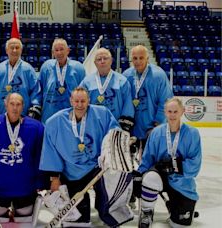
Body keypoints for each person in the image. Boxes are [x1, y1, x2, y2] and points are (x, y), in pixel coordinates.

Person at [39, 87, 133, 227]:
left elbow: (114, 134)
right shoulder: (55, 122)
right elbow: (51, 152)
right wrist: (54, 178)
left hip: (97, 167)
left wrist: (109, 153)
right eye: (76, 101)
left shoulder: (103, 114)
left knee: (117, 176)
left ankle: (110, 212)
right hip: (71, 171)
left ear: (89, 100)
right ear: (71, 101)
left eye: (83, 101)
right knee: (80, 219)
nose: (80, 104)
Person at [0, 93, 45, 223]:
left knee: (24, 218)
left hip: (25, 187)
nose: (15, 108)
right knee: (0, 218)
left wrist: (41, 181)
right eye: (12, 104)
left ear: (23, 106)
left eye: (18, 104)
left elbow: (39, 156)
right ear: (5, 105)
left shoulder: (36, 127)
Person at [134, 97, 202, 227]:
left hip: (182, 182)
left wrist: (174, 166)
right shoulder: (156, 133)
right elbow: (147, 158)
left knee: (180, 225)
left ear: (182, 111)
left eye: (175, 112)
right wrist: (139, 174)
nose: (172, 115)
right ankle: (147, 211)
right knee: (150, 178)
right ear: (165, 112)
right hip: (160, 177)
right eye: (169, 111)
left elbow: (195, 165)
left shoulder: (192, 134)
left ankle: (176, 208)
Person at [122, 45, 173, 152]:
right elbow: (122, 100)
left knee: (150, 162)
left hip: (152, 127)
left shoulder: (159, 76)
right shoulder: (126, 75)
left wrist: (157, 124)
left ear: (147, 59)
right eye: (135, 58)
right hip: (132, 128)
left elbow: (166, 101)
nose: (138, 61)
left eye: (141, 58)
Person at [0, 38, 42, 120]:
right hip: (1, 117)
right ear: (6, 50)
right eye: (12, 48)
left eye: (17, 48)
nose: (14, 50)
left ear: (21, 50)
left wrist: (34, 106)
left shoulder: (28, 69)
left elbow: (36, 91)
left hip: (23, 117)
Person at [80, 47, 134, 132]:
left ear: (111, 61)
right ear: (95, 63)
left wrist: (123, 128)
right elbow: (80, 103)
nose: (102, 61)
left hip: (115, 127)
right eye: (99, 59)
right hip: (93, 127)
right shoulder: (86, 82)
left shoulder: (122, 81)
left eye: (105, 58)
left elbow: (128, 106)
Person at [39, 38, 86, 123]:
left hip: (72, 115)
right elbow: (40, 90)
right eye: (56, 50)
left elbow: (84, 92)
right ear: (53, 52)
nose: (59, 53)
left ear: (68, 50)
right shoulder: (46, 67)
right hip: (49, 114)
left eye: (62, 49)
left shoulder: (78, 68)